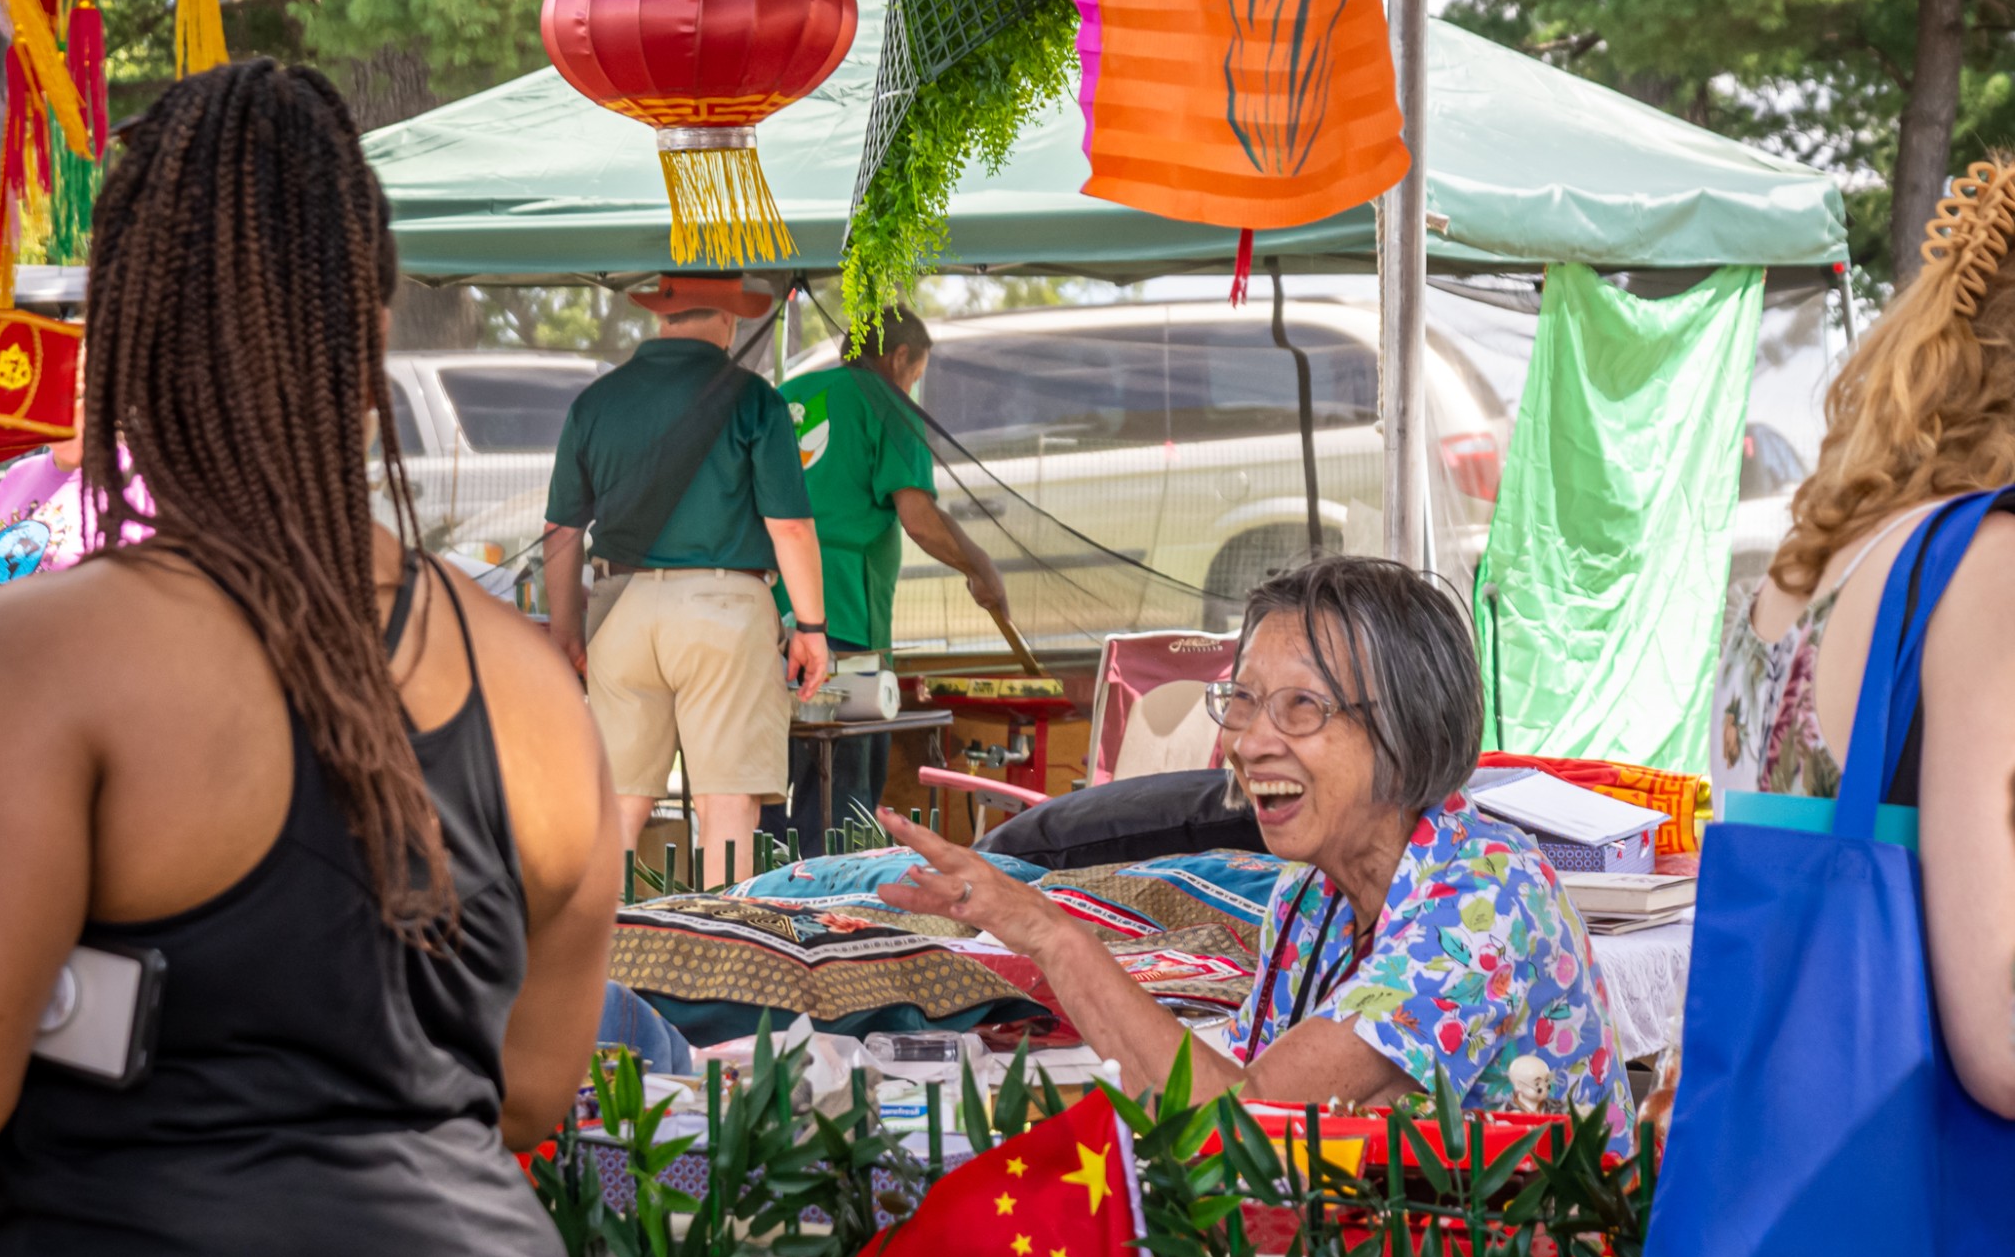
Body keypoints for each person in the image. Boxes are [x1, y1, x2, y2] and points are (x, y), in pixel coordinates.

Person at [0, 63, 619, 1257]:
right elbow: (537, 1086)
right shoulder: (534, 684)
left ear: (124, 325)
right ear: (368, 321)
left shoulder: (43, 654)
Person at [875, 557, 1633, 1139]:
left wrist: (1051, 933)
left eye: (1301, 706)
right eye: (1241, 701)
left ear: (1407, 732)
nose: (1249, 740)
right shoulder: (1313, 898)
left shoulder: (1482, 897)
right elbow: (1198, 1089)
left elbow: (1242, 1128)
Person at [1715, 165, 2015, 1118]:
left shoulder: (1806, 574)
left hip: (1793, 1180)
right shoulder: (1990, 570)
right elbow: (1999, 1042)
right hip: (1941, 1220)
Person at [544, 272, 827, 885]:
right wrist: (812, 626)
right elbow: (793, 530)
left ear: (662, 316)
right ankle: (719, 962)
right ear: (729, 318)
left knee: (617, 805)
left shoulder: (595, 402)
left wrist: (566, 629)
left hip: (618, 609)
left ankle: (603, 960)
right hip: (725, 611)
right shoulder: (755, 400)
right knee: (724, 804)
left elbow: (562, 533)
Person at [766, 305, 1006, 848]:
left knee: (763, 791)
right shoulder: (889, 402)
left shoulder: (787, 396)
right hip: (842, 626)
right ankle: (827, 917)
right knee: (839, 801)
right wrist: (980, 566)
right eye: (916, 375)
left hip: (764, 618)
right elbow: (919, 519)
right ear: (899, 357)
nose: (913, 388)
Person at [0, 349, 150, 605]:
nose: (51, 407)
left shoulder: (141, 484)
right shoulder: (18, 475)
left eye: (71, 393)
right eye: (44, 394)